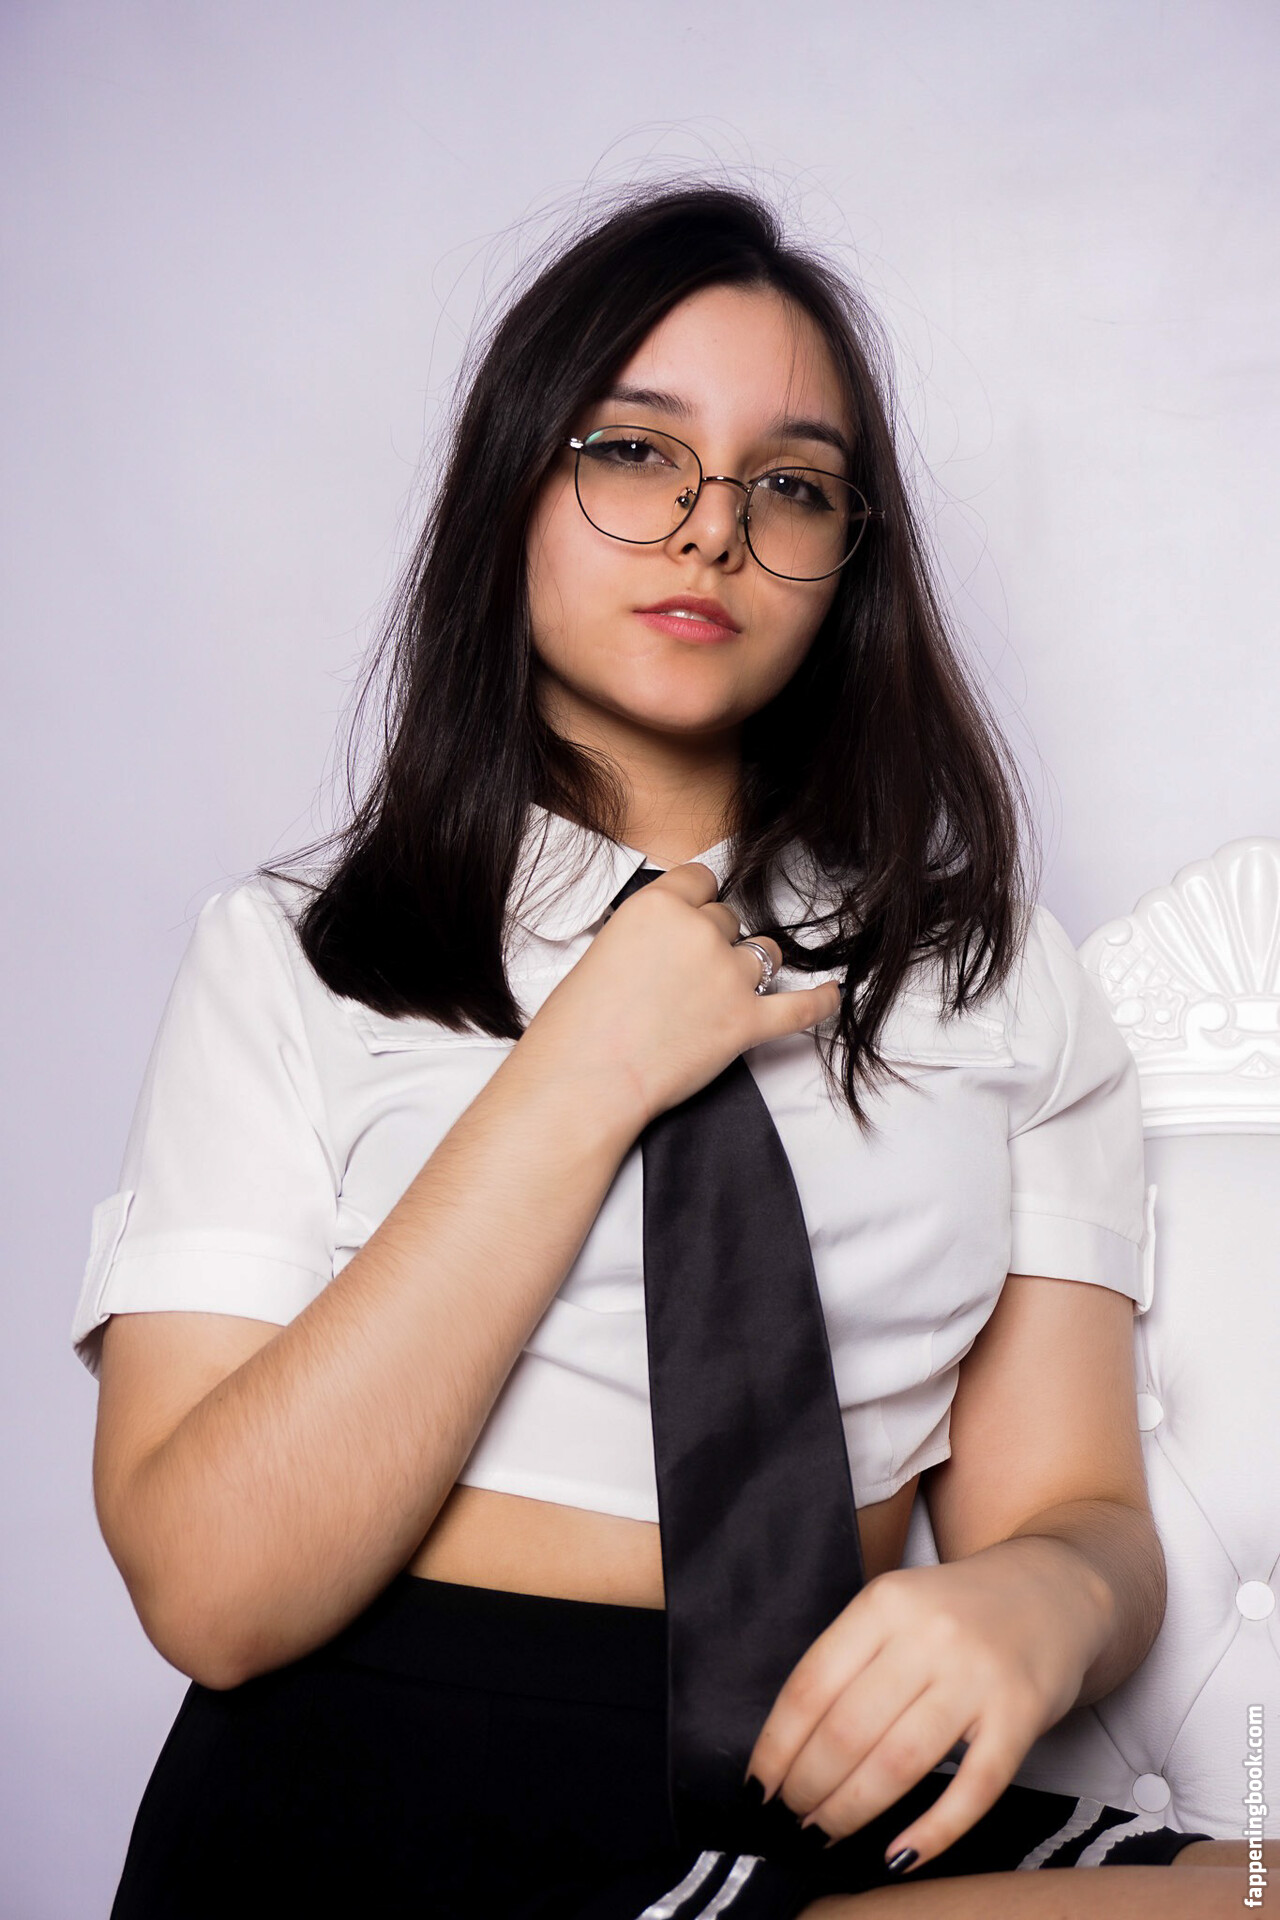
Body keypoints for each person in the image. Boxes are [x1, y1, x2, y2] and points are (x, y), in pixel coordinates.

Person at [75, 182, 1258, 1917]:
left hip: (812, 1785)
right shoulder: (296, 953)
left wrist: (1045, 1599)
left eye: (793, 485)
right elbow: (210, 1592)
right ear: (513, 490)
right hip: (384, 1795)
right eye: (635, 453)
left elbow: (1074, 1504)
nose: (713, 530)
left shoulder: (994, 976)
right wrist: (579, 1072)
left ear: (849, 561)